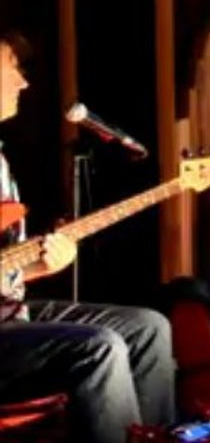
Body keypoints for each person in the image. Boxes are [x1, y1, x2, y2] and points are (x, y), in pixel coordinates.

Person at [0, 29, 176, 443]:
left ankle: (160, 437)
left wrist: (39, 263)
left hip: (11, 316)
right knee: (99, 347)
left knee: (149, 328)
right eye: (11, 68)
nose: (24, 83)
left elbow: (7, 267)